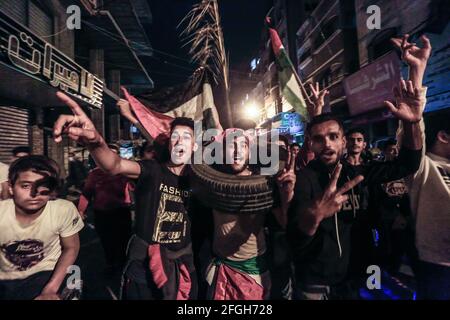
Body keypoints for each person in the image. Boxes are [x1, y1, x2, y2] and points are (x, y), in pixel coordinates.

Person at [288, 64, 426, 300]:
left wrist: (413, 123)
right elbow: (294, 233)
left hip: (354, 281)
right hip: (315, 285)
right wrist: (315, 214)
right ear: (311, 144)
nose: (328, 144)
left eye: (333, 137)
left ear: (344, 142)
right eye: (319, 139)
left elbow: (408, 164)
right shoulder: (304, 178)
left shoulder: (360, 173)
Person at [53, 95, 198, 300]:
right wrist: (96, 143)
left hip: (183, 265)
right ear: (169, 144)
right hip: (143, 268)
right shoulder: (152, 171)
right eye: (175, 135)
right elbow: (115, 165)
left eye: (187, 136)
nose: (180, 140)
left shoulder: (200, 180)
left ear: (195, 146)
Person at [205, 128, 296, 300]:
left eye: (243, 145)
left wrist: (286, 196)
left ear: (250, 151)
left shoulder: (265, 183)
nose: (238, 150)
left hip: (252, 269)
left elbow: (284, 222)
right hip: (221, 268)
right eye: (231, 145)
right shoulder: (212, 182)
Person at [0, 155, 84, 300]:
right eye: (25, 186)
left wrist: (50, 289)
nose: (35, 193)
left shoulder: (63, 209)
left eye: (43, 185)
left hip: (48, 272)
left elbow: (71, 247)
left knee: (74, 275)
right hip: (6, 279)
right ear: (11, 188)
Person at [77, 144, 133, 275]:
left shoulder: (125, 172)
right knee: (107, 241)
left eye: (113, 154)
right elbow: (87, 193)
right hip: (102, 213)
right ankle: (111, 264)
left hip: (121, 211)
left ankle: (124, 266)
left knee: (124, 240)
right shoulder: (95, 174)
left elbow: (137, 187)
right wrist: (80, 210)